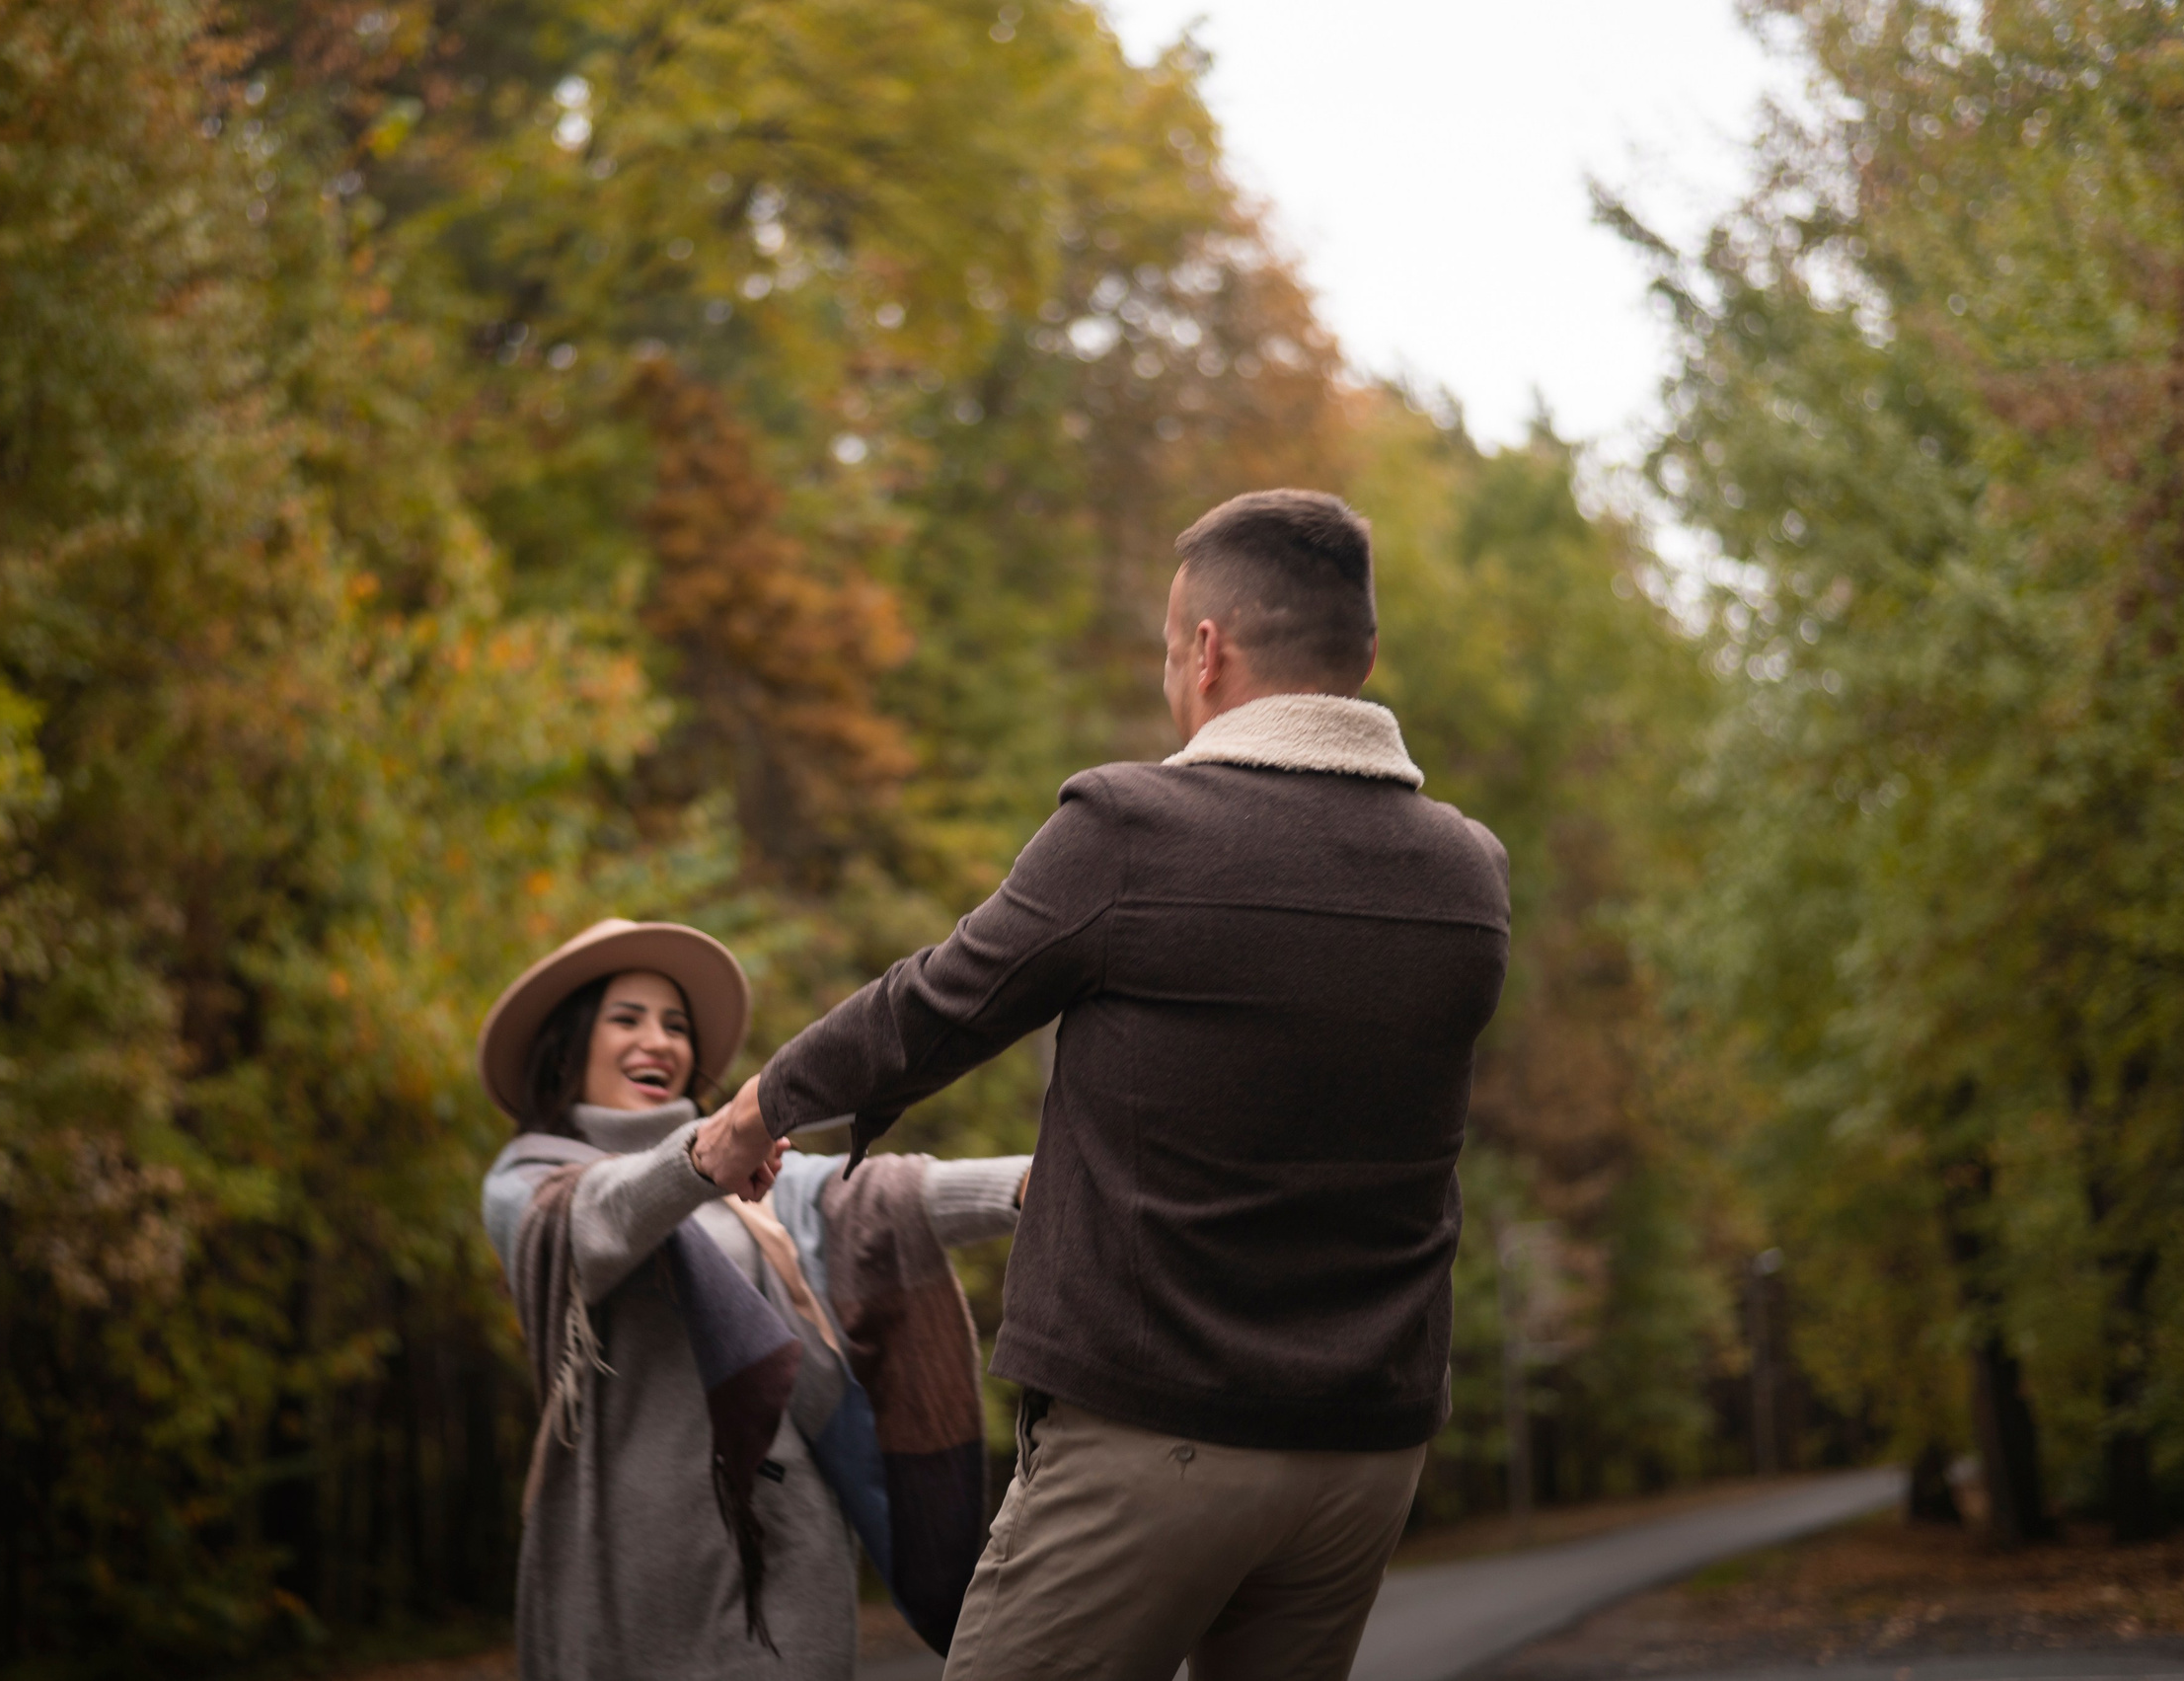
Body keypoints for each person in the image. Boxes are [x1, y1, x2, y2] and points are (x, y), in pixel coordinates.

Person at [694, 490, 1512, 1681]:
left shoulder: (1134, 826)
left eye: (1169, 649)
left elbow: (933, 1006)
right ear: (1364, 658)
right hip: (1365, 1454)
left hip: (1158, 1434)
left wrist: (758, 1106)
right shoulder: (1469, 874)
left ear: (1206, 648)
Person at [476, 918, 1031, 1679]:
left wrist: (1032, 1183)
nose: (660, 1041)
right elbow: (602, 1218)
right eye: (627, 1018)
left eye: (675, 1024)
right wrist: (704, 1155)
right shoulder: (525, 1187)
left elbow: (878, 1194)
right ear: (568, 1043)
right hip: (623, 1561)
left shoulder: (750, 1176)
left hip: (784, 1555)